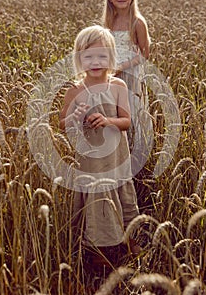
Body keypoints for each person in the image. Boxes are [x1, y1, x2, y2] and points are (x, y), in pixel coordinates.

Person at [59, 25, 141, 269]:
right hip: (91, 160)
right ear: (79, 59)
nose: (96, 61)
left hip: (116, 156)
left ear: (112, 57)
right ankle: (98, 250)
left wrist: (107, 121)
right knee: (97, 199)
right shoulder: (75, 91)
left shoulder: (118, 86)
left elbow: (126, 121)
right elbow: (62, 123)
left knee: (122, 194)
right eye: (89, 56)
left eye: (102, 56)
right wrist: (75, 117)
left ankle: (130, 241)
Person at [101, 0, 153, 177]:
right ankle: (115, 154)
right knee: (112, 110)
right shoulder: (108, 22)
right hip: (111, 74)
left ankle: (134, 156)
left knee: (130, 109)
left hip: (130, 75)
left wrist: (123, 66)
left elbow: (145, 54)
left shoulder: (137, 22)